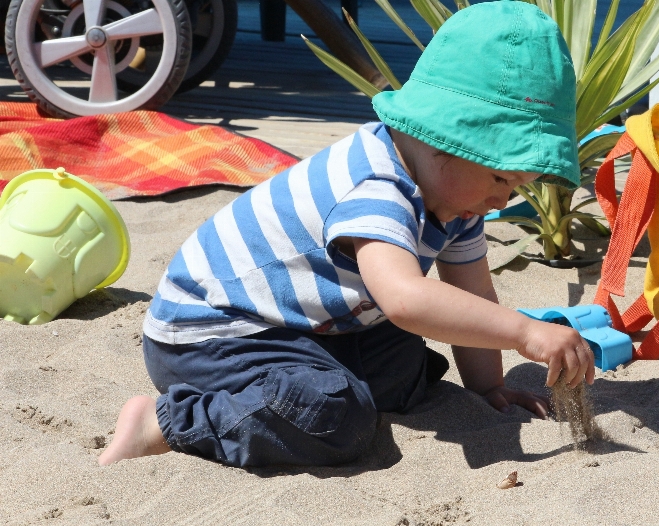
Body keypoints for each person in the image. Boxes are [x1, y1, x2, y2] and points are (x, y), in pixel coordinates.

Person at [98, 1, 595, 468]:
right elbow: (404, 298)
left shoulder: (457, 196)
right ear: (448, 139)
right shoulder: (375, 185)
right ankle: (166, 424)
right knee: (335, 416)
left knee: (406, 366)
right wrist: (526, 331)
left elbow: (475, 292)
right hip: (213, 336)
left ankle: (310, 384)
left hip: (301, 323)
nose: (503, 199)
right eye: (502, 179)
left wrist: (488, 391)